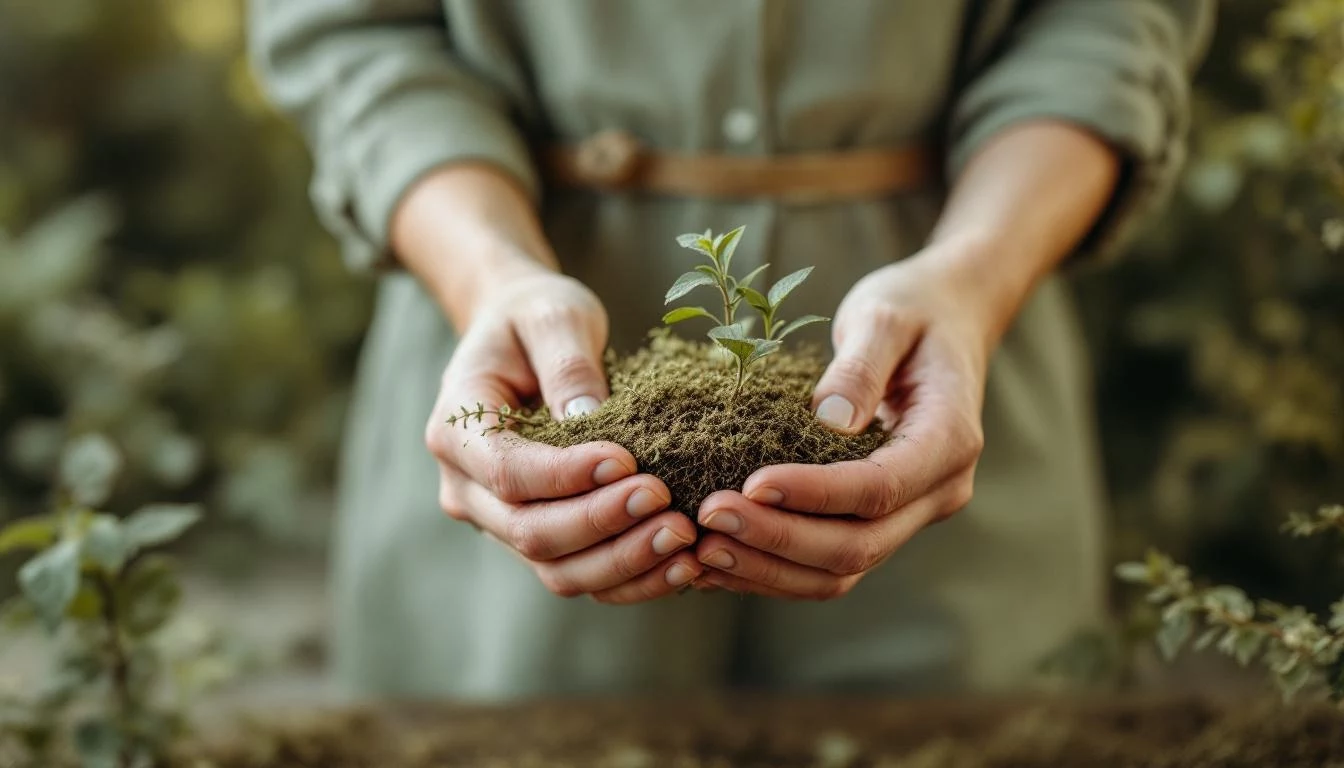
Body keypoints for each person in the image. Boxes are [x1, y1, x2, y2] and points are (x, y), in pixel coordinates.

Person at [248, 1, 1214, 699]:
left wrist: (972, 278)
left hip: (944, 403)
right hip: (512, 414)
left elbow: (1109, 23)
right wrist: (491, 276)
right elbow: (355, 30)